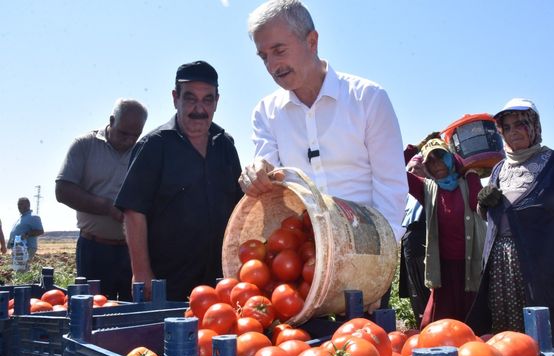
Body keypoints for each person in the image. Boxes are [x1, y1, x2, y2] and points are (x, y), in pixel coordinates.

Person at [240, 0, 408, 245]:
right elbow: (272, 187)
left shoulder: (368, 98)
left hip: (366, 250)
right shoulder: (265, 113)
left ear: (312, 41)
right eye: (263, 56)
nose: (272, 66)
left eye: (279, 50)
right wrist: (257, 173)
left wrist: (379, 251)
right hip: (303, 256)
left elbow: (390, 188)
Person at [467, 98, 554, 356]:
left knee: (552, 326)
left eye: (521, 124)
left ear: (534, 126)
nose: (514, 131)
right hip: (503, 266)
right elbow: (486, 215)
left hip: (547, 262)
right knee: (510, 333)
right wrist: (483, 202)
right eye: (507, 127)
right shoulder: (499, 170)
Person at [115, 61, 244, 301]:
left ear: (217, 101)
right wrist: (142, 273)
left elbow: (240, 211)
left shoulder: (225, 145)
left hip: (219, 284)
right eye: (190, 98)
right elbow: (133, 212)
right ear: (175, 98)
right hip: (167, 284)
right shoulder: (154, 146)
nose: (199, 108)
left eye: (207, 99)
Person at [55, 98, 148, 301]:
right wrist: (107, 207)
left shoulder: (144, 151)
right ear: (112, 120)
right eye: (124, 133)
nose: (129, 140)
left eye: (136, 135)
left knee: (132, 316)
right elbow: (63, 190)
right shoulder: (85, 145)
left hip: (132, 251)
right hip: (94, 249)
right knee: (92, 313)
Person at [405, 135, 485, 328]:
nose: (436, 164)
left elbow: (477, 204)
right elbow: (393, 170)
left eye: (441, 156)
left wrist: (472, 174)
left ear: (451, 158)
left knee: (474, 326)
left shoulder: (468, 181)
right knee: (440, 327)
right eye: (430, 161)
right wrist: (415, 148)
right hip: (444, 272)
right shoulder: (427, 188)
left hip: (470, 269)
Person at [398, 153, 431, 324]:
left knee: (427, 288)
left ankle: (431, 323)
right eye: (409, 170)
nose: (412, 173)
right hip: (408, 242)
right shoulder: (405, 195)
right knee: (415, 290)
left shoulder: (429, 188)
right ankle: (421, 325)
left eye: (417, 169)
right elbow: (394, 167)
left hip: (423, 237)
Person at [8, 198, 44, 262]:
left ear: (28, 205)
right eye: (18, 204)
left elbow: (40, 231)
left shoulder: (33, 216)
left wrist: (26, 234)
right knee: (18, 268)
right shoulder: (21, 218)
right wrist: (9, 243)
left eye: (21, 204)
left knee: (22, 268)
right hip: (17, 248)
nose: (19, 206)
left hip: (27, 248)